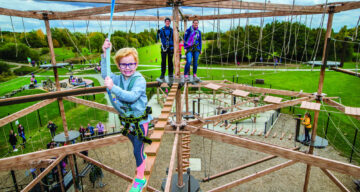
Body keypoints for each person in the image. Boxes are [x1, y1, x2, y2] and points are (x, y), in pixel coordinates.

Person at [101, 39, 152, 192]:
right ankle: (142, 155)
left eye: (131, 64)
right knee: (134, 143)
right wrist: (105, 54)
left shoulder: (140, 80)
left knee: (137, 151)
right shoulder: (117, 78)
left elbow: (131, 96)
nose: (127, 68)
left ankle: (140, 178)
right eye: (123, 64)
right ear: (118, 66)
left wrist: (113, 88)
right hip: (127, 122)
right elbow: (106, 75)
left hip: (139, 122)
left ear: (136, 64)